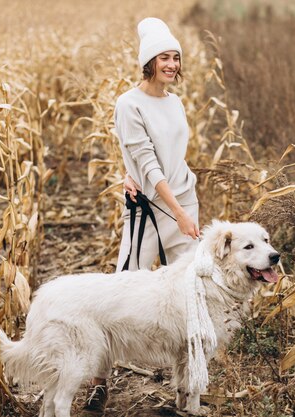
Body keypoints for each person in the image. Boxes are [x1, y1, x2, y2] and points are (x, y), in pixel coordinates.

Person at [83, 17, 200, 414]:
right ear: (148, 62)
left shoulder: (176, 100)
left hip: (184, 198)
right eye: (164, 57)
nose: (171, 64)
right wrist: (134, 177)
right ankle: (99, 383)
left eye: (175, 57)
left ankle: (189, 390)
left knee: (193, 291)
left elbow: (168, 154)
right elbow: (146, 161)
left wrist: (183, 208)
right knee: (119, 290)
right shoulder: (128, 103)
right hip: (152, 208)